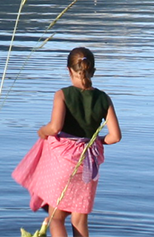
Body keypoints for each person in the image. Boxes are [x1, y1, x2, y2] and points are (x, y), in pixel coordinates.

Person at [12, 47, 123, 237]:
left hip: (62, 163)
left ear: (69, 70)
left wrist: (42, 131)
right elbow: (116, 136)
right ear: (93, 70)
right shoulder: (104, 98)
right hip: (89, 163)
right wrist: (97, 141)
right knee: (79, 220)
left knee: (56, 217)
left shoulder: (62, 94)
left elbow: (55, 127)